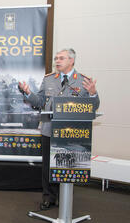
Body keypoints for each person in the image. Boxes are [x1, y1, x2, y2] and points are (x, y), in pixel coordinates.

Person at [18, 48, 100, 210]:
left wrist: (92, 94)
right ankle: (49, 197)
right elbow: (40, 101)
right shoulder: (49, 79)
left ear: (71, 61)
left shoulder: (83, 81)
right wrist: (28, 93)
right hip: (49, 130)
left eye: (61, 58)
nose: (57, 61)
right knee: (48, 167)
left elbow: (94, 106)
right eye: (56, 58)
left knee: (68, 165)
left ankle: (66, 198)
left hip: (71, 133)